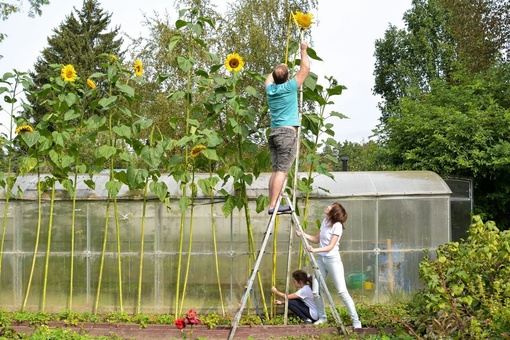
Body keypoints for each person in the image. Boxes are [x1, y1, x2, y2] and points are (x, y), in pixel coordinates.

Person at [296, 202, 362, 329]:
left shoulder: (337, 226)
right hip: (320, 260)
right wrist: (302, 234)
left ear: (334, 213)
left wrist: (314, 250)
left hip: (332, 260)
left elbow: (331, 246)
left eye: (331, 207)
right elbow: (316, 239)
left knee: (342, 292)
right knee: (315, 291)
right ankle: (322, 317)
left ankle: (356, 321)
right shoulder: (324, 222)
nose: (327, 207)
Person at [265, 42, 310, 215]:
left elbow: (268, 79)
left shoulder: (270, 90)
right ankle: (273, 206)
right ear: (287, 77)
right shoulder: (290, 87)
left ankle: (272, 203)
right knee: (282, 171)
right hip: (286, 134)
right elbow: (305, 68)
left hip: (274, 133)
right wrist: (303, 50)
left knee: (276, 170)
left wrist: (279, 69)